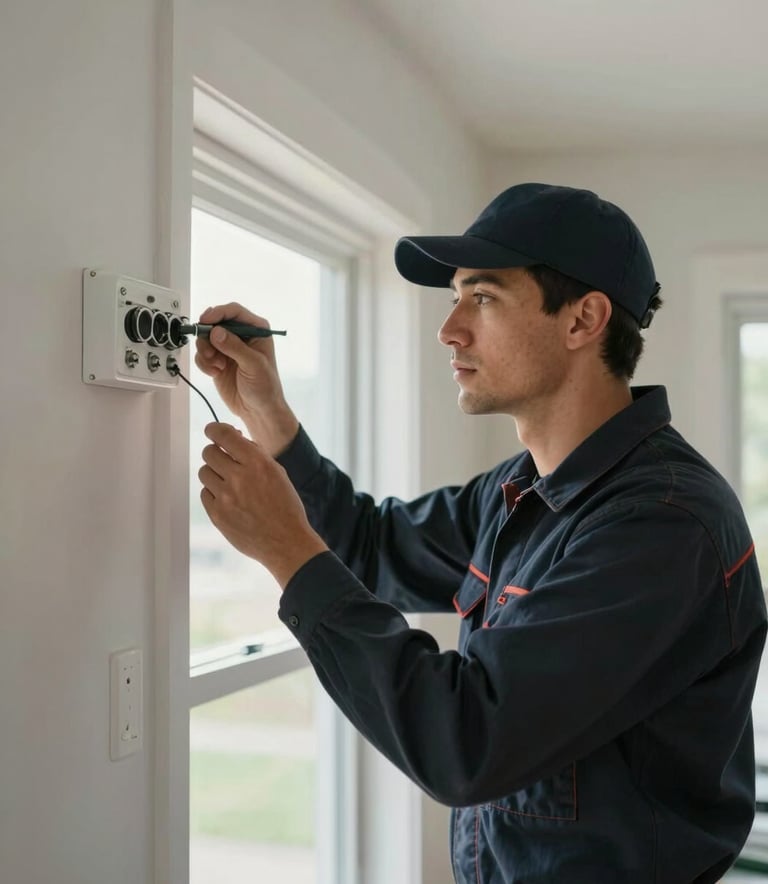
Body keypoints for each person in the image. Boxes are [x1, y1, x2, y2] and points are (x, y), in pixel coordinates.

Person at [195, 183, 767, 882]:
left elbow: (468, 744)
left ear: (584, 319)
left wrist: (288, 552)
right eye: (455, 297)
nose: (450, 329)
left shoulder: (662, 526)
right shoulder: (521, 487)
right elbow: (374, 547)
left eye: (484, 298)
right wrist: (273, 419)